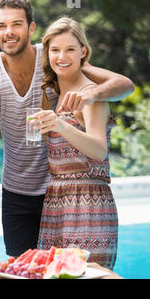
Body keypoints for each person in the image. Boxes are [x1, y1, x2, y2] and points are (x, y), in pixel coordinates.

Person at [0, 0, 134, 257]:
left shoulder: (59, 59)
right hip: (24, 193)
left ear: (31, 28)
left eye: (17, 24)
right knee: (26, 268)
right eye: (1, 26)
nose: (9, 32)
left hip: (62, 194)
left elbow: (125, 85)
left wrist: (94, 95)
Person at [32, 17, 118, 269]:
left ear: (83, 51)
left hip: (88, 205)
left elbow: (99, 150)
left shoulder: (92, 95)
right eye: (55, 50)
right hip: (56, 203)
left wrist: (59, 125)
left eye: (70, 49)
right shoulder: (53, 95)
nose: (62, 56)